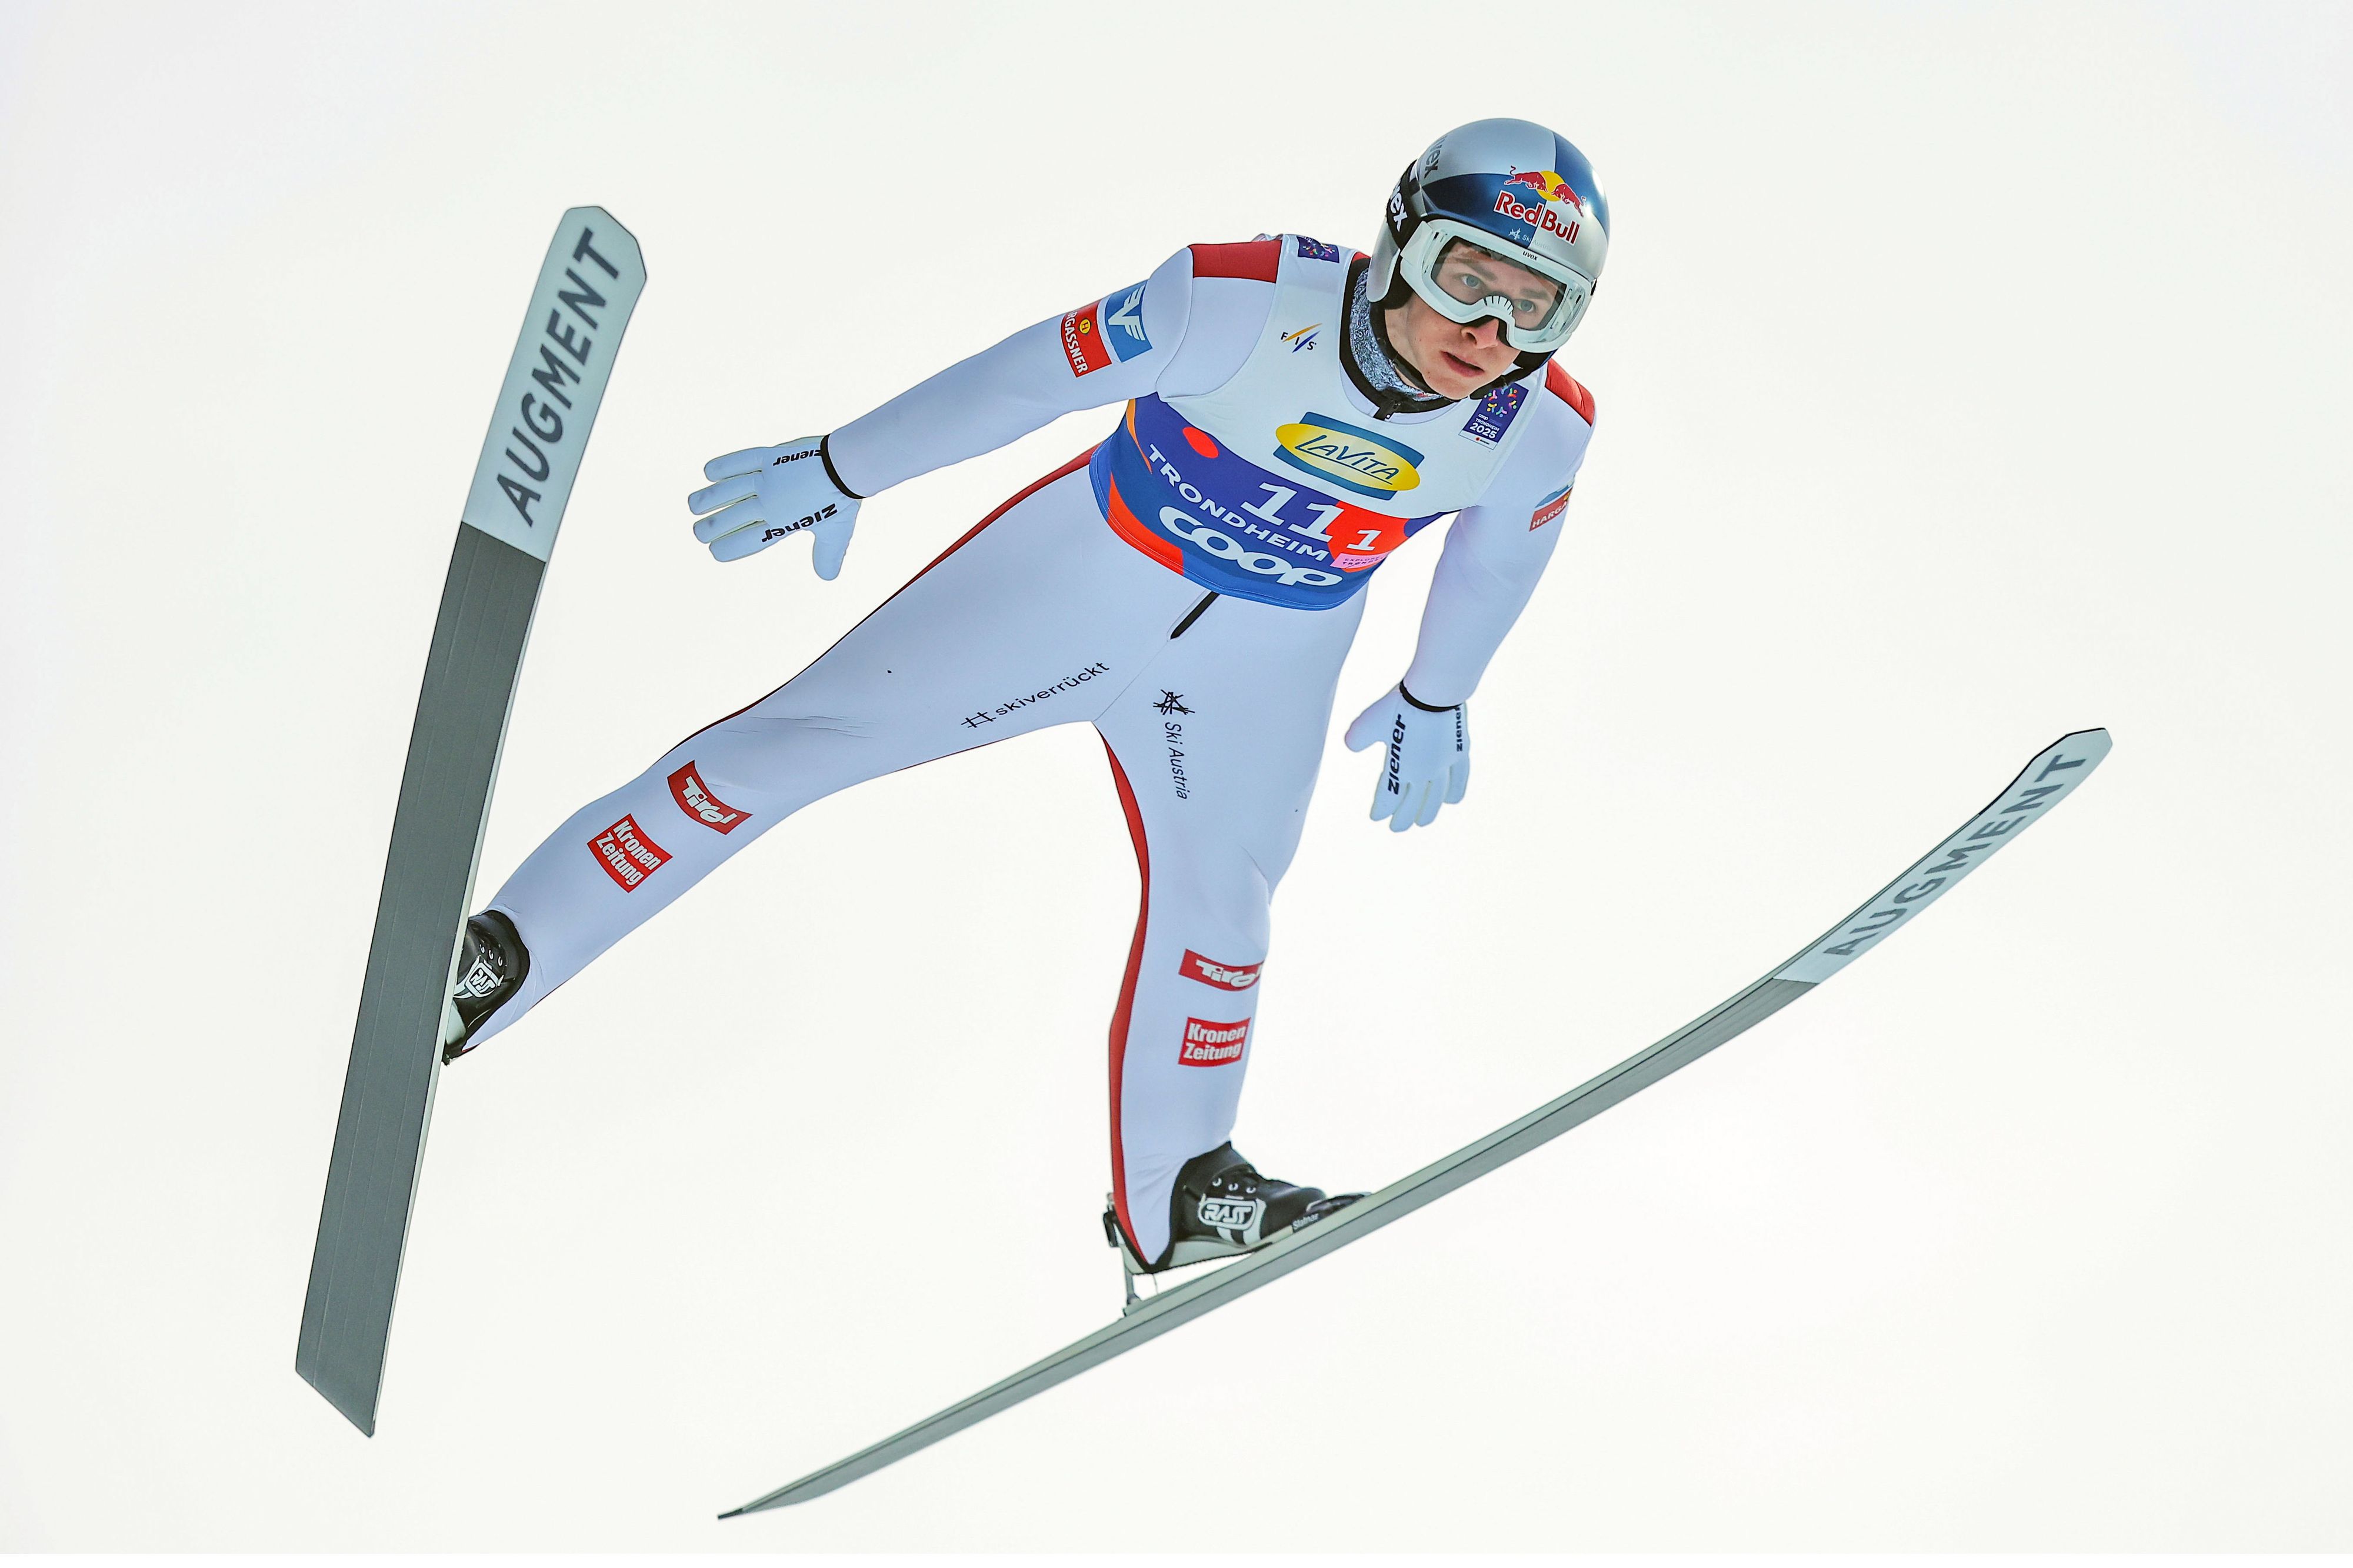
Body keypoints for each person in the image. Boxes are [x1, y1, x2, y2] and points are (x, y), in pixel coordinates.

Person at [442, 117, 1608, 1280]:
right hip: (1072, 583)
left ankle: (1182, 1194)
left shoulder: (1539, 426)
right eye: (1468, 278)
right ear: (1400, 241)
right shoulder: (1240, 299)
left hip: (1259, 665)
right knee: (779, 753)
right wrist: (847, 463)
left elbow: (1499, 558)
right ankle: (498, 958)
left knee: (1225, 904)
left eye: (1537, 309)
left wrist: (1436, 694)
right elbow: (1027, 379)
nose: (1491, 332)